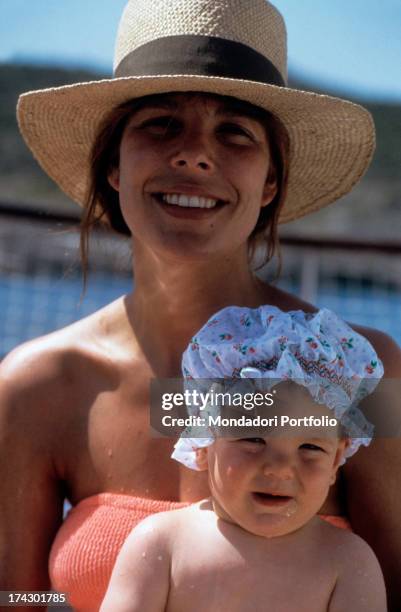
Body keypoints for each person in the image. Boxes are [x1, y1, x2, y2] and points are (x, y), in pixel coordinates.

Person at [1, 0, 400, 609]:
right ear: (113, 164)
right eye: (161, 123)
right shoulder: (35, 387)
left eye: (234, 132)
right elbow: (17, 600)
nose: (193, 154)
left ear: (271, 182)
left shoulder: (359, 372)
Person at [101, 306, 387, 611]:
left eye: (310, 448)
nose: (279, 469)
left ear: (336, 459)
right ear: (203, 442)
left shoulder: (347, 562)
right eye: (253, 439)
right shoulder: (162, 544)